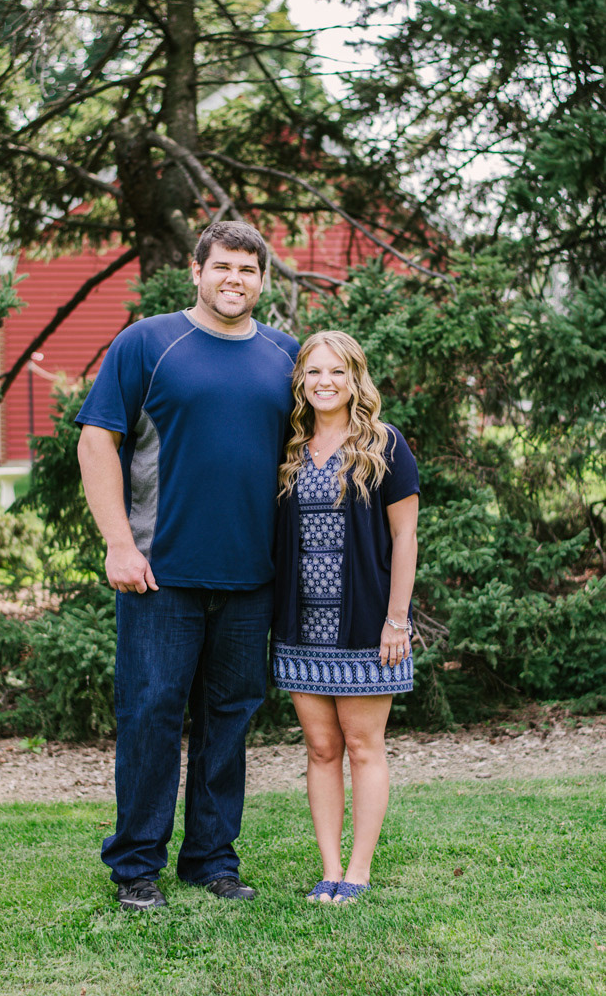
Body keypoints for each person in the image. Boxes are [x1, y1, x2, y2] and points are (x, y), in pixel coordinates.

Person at [76, 221, 299, 910]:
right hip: (158, 572)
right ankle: (135, 867)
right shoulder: (148, 341)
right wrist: (118, 541)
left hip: (251, 576)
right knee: (149, 715)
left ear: (262, 280)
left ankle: (211, 859)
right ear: (196, 271)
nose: (235, 279)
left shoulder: (284, 354)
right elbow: (96, 441)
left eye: (248, 269)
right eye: (222, 266)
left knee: (229, 720)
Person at [271, 330, 419, 904]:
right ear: (301, 382)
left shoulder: (384, 444)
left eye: (336, 371)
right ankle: (329, 869)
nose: (324, 382)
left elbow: (405, 536)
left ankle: (357, 873)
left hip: (365, 622)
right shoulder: (289, 446)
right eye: (313, 372)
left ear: (356, 378)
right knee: (321, 749)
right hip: (302, 625)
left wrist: (396, 620)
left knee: (363, 747)